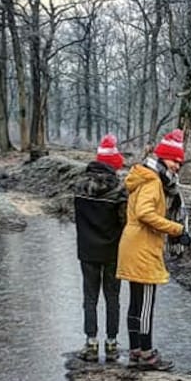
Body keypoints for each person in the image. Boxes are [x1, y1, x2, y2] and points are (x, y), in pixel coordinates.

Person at [117, 129, 191, 370]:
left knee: (136, 303)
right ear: (161, 158)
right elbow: (145, 213)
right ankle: (147, 355)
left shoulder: (143, 176)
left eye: (180, 161)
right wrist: (177, 229)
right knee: (146, 304)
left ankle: (135, 352)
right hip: (143, 246)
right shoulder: (152, 181)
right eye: (174, 160)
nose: (177, 165)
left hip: (132, 243)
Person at [73, 134, 127, 363]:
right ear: (114, 165)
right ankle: (112, 345)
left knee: (90, 297)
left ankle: (91, 343)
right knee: (112, 298)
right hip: (113, 251)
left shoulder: (79, 185)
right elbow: (124, 221)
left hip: (87, 250)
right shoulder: (120, 191)